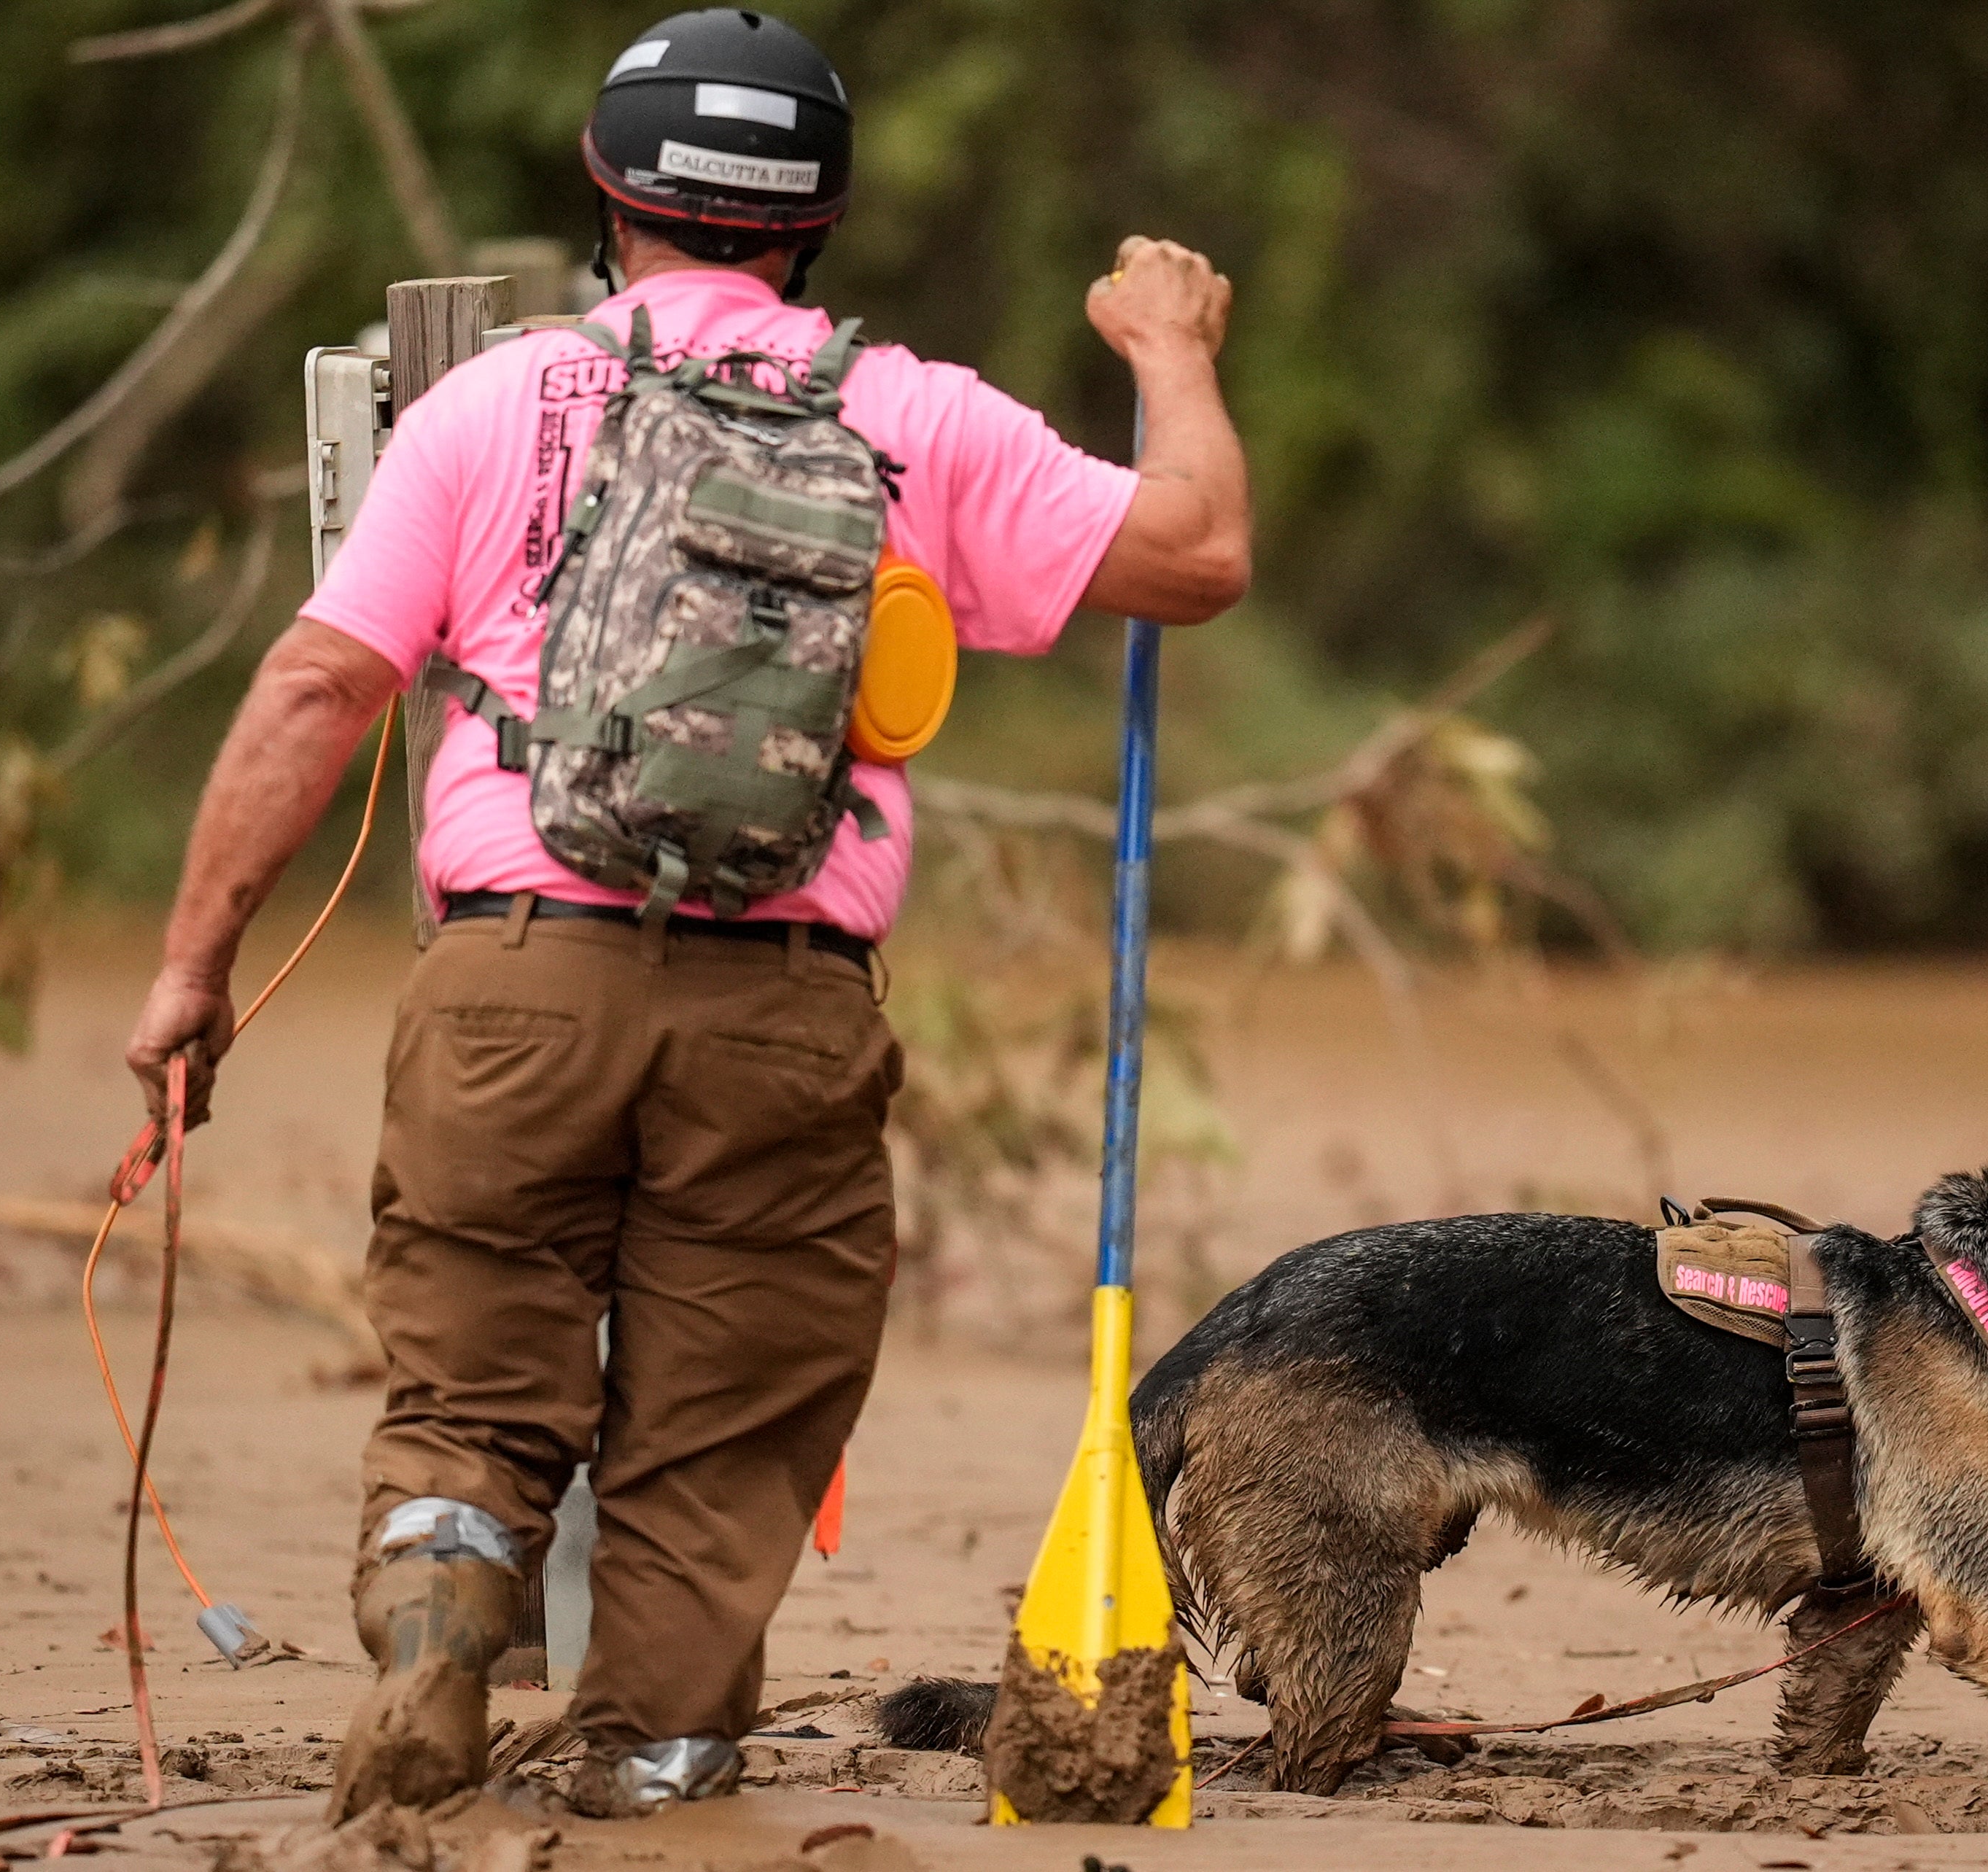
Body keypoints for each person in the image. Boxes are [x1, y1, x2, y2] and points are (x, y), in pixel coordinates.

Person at [118, 6, 1248, 1822]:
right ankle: (649, 1752)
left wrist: (193, 968)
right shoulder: (911, 415)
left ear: (604, 190)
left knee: (475, 1363)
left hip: (509, 985)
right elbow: (1195, 556)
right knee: (722, 1428)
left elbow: (314, 691)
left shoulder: (496, 401)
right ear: (817, 220)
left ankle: (434, 1635)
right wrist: (1169, 348)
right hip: (786, 1009)